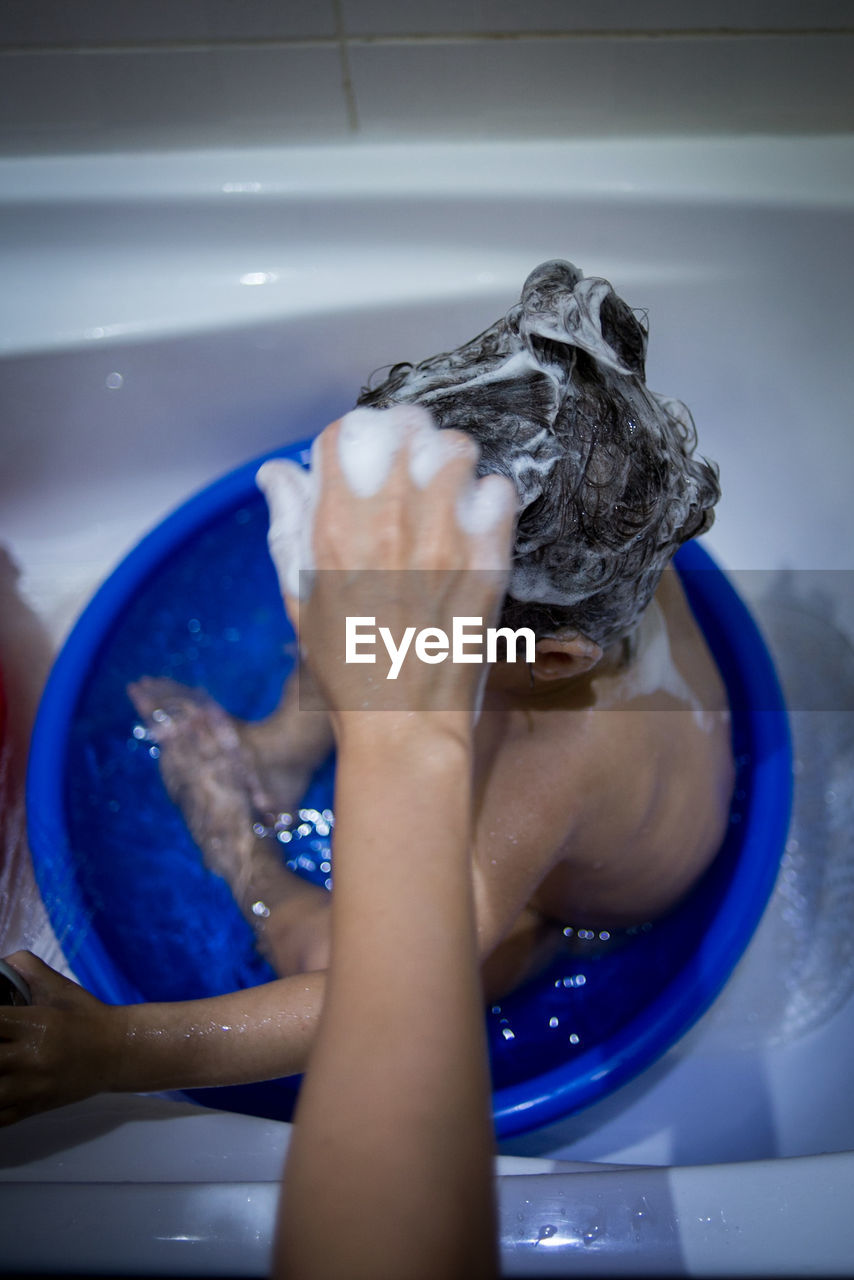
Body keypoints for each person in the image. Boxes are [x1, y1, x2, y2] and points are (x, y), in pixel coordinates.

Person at [0, 259, 733, 1126]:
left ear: (558, 659)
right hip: (519, 686)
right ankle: (281, 750)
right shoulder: (605, 536)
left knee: (352, 951)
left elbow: (388, 998)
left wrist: (118, 1050)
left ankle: (252, 867)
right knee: (360, 610)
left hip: (557, 902)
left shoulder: (550, 768)